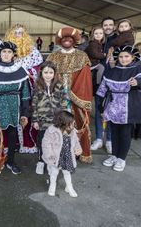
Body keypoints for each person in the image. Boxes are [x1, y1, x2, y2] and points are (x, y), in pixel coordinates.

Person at [96, 45, 141, 172]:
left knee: (125, 134)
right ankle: (114, 155)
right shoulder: (111, 71)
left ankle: (121, 159)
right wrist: (101, 108)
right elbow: (102, 89)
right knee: (114, 132)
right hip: (112, 107)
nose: (123, 59)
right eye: (121, 56)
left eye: (126, 56)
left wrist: (137, 83)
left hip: (129, 108)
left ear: (133, 57)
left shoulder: (139, 70)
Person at [46, 27, 93, 163]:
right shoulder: (53, 56)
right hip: (57, 97)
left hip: (76, 98)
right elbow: (47, 74)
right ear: (60, 41)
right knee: (57, 125)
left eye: (69, 39)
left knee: (76, 124)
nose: (66, 41)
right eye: (64, 39)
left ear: (74, 41)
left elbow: (85, 79)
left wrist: (72, 94)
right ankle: (58, 152)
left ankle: (78, 151)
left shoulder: (81, 56)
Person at [0, 41, 30, 175]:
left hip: (15, 106)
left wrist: (25, 113)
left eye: (9, 52)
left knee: (13, 134)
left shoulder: (20, 71)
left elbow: (25, 95)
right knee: (0, 135)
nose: (6, 54)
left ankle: (11, 161)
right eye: (4, 52)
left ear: (13, 54)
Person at [4, 24, 43, 153]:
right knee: (10, 113)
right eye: (15, 33)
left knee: (26, 113)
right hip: (10, 88)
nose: (18, 35)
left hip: (28, 87)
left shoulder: (32, 50)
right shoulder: (7, 51)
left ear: (25, 35)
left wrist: (28, 72)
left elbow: (38, 68)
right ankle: (11, 143)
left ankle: (27, 142)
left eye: (21, 33)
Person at [31, 61, 66, 175]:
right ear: (41, 73)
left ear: (54, 73)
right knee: (42, 142)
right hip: (42, 122)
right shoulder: (37, 86)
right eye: (45, 72)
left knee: (55, 142)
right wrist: (35, 120)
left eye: (51, 72)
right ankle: (41, 161)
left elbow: (64, 103)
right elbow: (34, 105)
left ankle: (51, 163)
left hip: (56, 121)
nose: (48, 75)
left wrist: (64, 119)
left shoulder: (59, 86)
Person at [91, 17, 118, 154]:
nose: (107, 27)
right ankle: (98, 138)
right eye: (105, 25)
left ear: (114, 26)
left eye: (110, 25)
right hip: (99, 82)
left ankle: (109, 140)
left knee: (111, 112)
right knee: (98, 110)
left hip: (113, 81)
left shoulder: (118, 41)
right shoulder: (97, 42)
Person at [42, 110, 82, 197]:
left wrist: (78, 148)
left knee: (67, 172)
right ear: (64, 123)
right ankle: (52, 186)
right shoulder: (51, 131)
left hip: (67, 156)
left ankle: (69, 187)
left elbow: (76, 142)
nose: (73, 125)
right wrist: (49, 155)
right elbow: (46, 144)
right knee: (54, 172)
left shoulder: (72, 131)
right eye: (71, 123)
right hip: (55, 157)